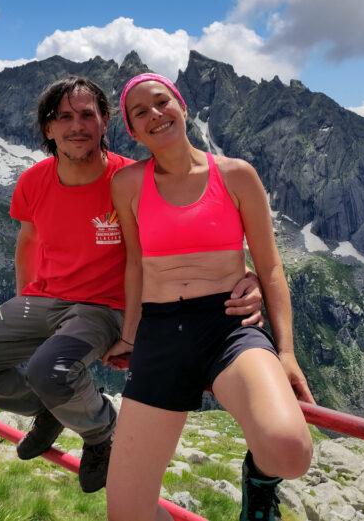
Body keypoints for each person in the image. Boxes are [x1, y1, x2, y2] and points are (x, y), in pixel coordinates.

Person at [0, 75, 265, 493]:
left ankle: (99, 429)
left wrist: (248, 274)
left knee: (47, 369)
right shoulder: (34, 181)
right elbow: (29, 240)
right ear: (48, 129)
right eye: (64, 117)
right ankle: (60, 405)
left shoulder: (130, 180)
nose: (77, 126)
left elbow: (189, 233)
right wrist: (23, 303)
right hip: (42, 299)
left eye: (87, 115)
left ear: (105, 122)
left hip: (102, 306)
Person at [104, 73, 315, 521]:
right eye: (140, 112)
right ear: (133, 131)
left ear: (181, 104)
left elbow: (271, 265)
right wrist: (128, 337)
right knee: (127, 514)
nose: (155, 114)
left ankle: (259, 483)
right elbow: (136, 265)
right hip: (160, 333)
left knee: (290, 451)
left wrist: (288, 353)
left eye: (162, 102)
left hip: (229, 326)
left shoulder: (236, 175)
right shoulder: (128, 184)